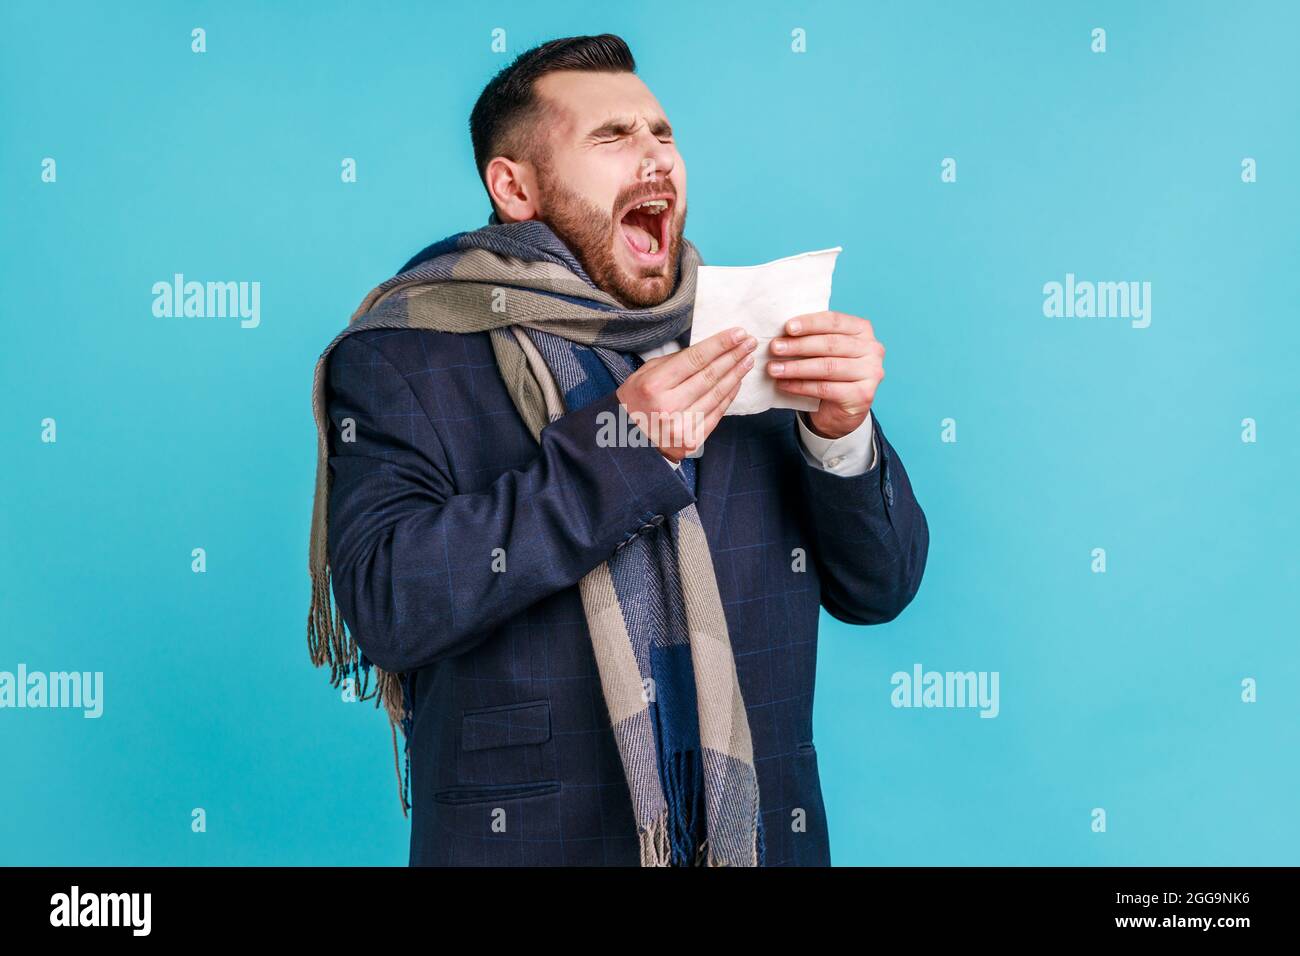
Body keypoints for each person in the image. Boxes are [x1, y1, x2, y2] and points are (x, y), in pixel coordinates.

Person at [306, 33, 929, 866]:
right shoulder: (405, 352)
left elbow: (878, 587)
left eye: (662, 134)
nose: (656, 158)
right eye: (613, 138)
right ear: (515, 186)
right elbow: (388, 603)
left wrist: (842, 433)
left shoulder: (738, 332)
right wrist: (617, 448)